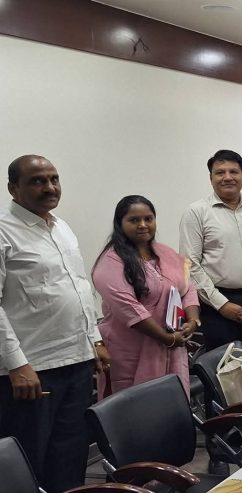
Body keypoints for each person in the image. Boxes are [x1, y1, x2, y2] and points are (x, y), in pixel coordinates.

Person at [0, 155, 110, 492]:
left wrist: (94, 339)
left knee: (70, 456)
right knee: (29, 462)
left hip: (77, 361)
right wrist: (17, 364)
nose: (49, 187)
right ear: (13, 188)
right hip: (32, 371)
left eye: (53, 179)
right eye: (37, 181)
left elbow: (79, 287)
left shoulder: (61, 227)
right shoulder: (4, 231)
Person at [92, 195, 200, 398]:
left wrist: (193, 321)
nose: (143, 225)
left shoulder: (166, 253)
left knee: (172, 399)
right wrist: (167, 338)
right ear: (120, 223)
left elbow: (188, 288)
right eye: (134, 220)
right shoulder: (111, 262)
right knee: (135, 405)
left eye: (148, 219)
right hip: (132, 349)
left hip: (172, 347)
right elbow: (129, 308)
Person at [179, 149, 242, 352]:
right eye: (220, 172)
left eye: (234, 172)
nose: (227, 177)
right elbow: (189, 265)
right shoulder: (196, 212)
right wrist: (222, 305)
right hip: (216, 305)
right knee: (221, 364)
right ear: (211, 178)